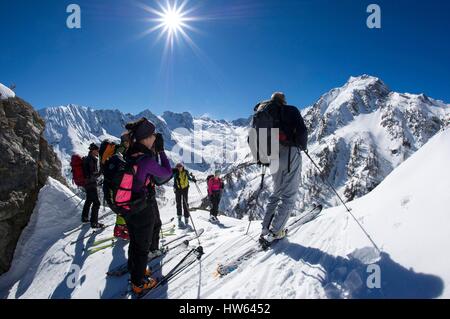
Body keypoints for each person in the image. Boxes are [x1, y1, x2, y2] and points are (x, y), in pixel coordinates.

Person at [124, 118, 172, 295]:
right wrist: (161, 151)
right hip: (142, 208)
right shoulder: (145, 160)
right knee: (143, 245)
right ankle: (139, 282)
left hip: (129, 206)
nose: (155, 137)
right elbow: (166, 173)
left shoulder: (130, 153)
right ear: (145, 138)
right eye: (152, 134)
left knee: (135, 242)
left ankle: (135, 269)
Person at [258, 92, 308, 245]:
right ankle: (276, 232)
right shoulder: (290, 110)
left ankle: (265, 229)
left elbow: (254, 137)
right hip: (288, 153)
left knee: (276, 192)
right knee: (289, 195)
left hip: (271, 154)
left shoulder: (262, 112)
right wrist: (301, 145)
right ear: (283, 100)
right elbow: (302, 131)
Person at [82, 143, 104, 229]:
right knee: (96, 203)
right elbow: (92, 174)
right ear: (93, 150)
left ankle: (84, 217)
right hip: (91, 184)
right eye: (97, 150)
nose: (98, 151)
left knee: (89, 200)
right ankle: (94, 223)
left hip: (87, 184)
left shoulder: (88, 159)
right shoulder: (91, 160)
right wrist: (100, 172)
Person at [172, 163, 197, 228]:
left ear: (182, 167)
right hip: (178, 189)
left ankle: (186, 218)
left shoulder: (186, 172)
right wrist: (174, 188)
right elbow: (174, 181)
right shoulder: (175, 173)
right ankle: (179, 219)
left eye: (180, 166)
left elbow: (188, 178)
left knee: (185, 203)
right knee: (178, 203)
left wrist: (193, 179)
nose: (179, 168)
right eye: (178, 167)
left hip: (185, 189)